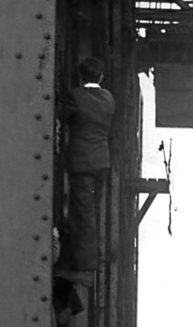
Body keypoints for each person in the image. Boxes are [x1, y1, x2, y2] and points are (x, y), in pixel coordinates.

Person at [58, 57, 115, 283]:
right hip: (101, 162)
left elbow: (61, 114)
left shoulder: (76, 96)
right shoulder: (109, 98)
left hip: (82, 163)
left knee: (82, 213)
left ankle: (84, 264)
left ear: (81, 76)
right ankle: (89, 258)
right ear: (101, 77)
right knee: (92, 211)